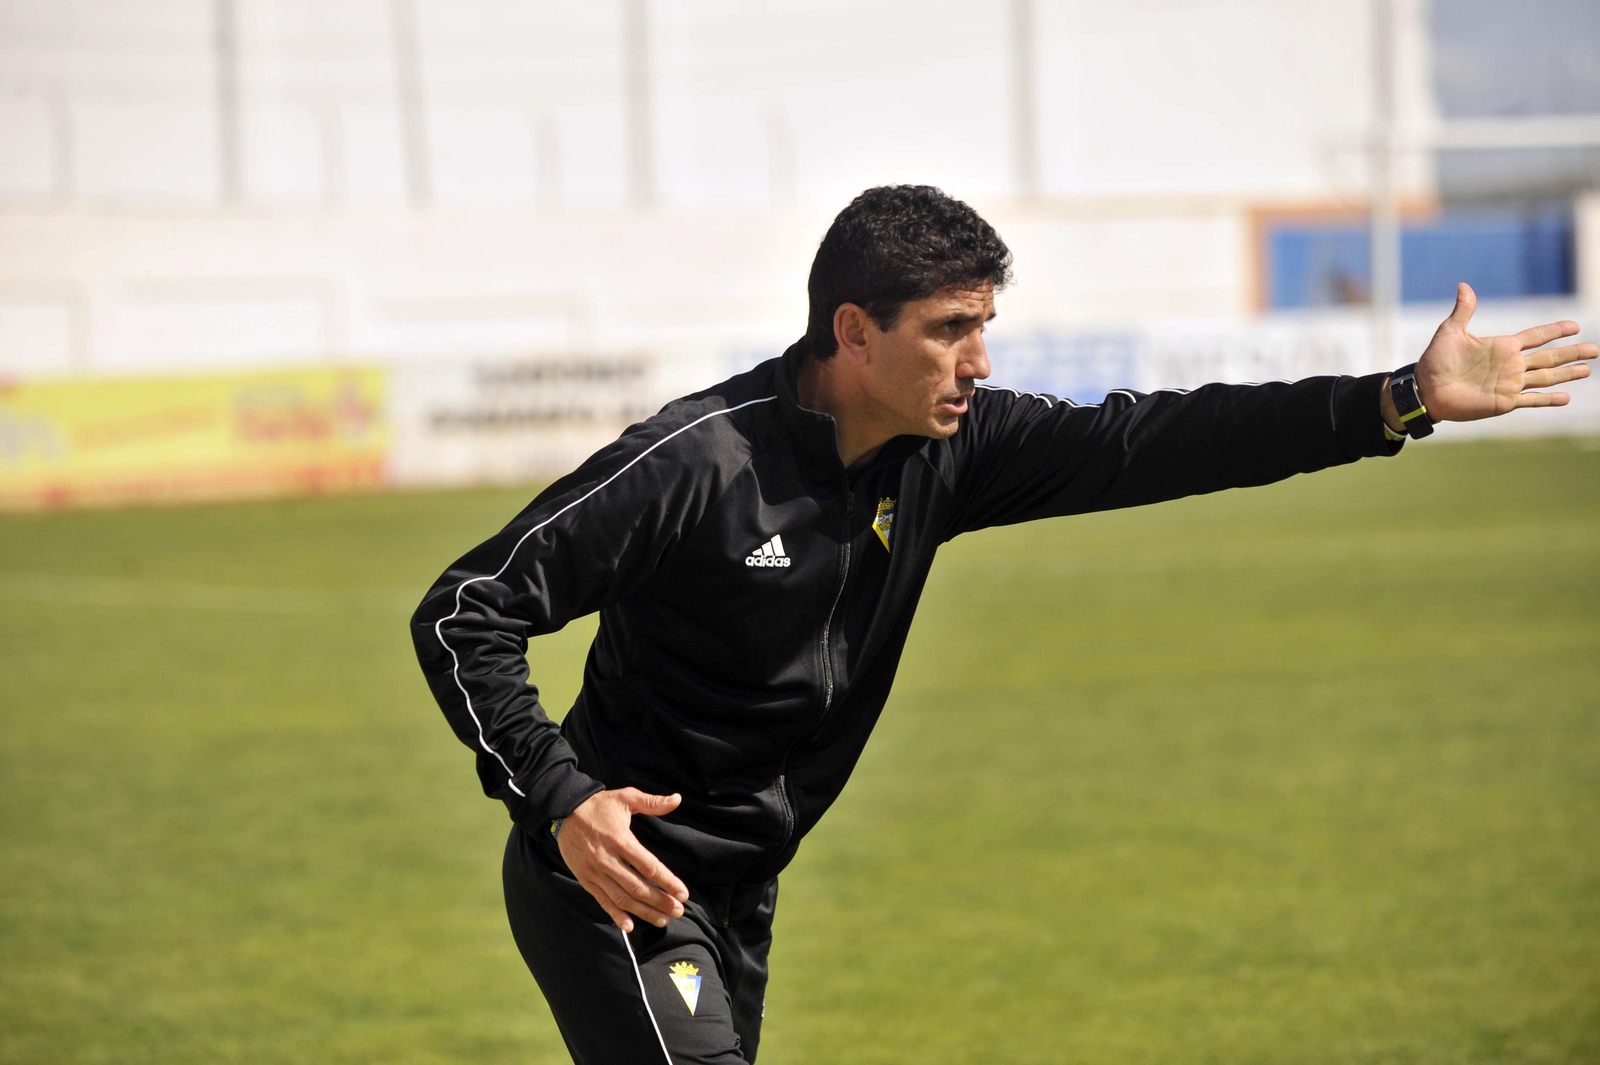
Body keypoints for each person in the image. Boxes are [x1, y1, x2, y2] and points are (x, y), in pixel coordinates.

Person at [410, 185, 1593, 1064]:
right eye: (946, 329)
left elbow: (1158, 440)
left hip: (741, 888)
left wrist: (1395, 400)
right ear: (853, 330)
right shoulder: (697, 465)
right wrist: (561, 802)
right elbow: (466, 611)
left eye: (984, 324)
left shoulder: (951, 451)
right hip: (617, 882)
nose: (978, 361)